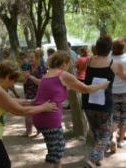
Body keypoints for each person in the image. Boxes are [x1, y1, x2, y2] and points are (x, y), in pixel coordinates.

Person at [0, 61, 57, 168]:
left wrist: (30, 101)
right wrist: (43, 108)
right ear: (7, 77)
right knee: (3, 165)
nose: (13, 84)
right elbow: (20, 111)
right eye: (13, 81)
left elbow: (9, 100)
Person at [32, 50, 109, 168]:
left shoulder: (47, 74)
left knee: (57, 148)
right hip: (49, 118)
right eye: (69, 64)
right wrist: (102, 86)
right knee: (55, 153)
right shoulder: (62, 75)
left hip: (41, 116)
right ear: (64, 63)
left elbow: (55, 91)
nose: (69, 67)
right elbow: (85, 89)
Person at [82, 36, 126, 167]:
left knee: (96, 131)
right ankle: (93, 157)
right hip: (104, 102)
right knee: (105, 133)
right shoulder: (114, 64)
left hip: (88, 100)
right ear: (110, 48)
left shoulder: (89, 61)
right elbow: (124, 77)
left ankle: (99, 156)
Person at [22, 50, 46, 137]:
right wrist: (25, 77)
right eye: (29, 57)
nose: (30, 59)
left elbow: (41, 83)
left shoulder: (42, 68)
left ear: (37, 58)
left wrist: (30, 76)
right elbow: (24, 82)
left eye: (32, 57)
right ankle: (28, 131)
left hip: (38, 94)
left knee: (37, 114)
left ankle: (39, 130)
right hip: (28, 93)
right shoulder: (27, 67)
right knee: (27, 113)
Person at [110, 38, 126, 150]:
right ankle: (121, 141)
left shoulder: (108, 59)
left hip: (112, 92)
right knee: (124, 116)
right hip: (125, 92)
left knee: (114, 117)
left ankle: (113, 138)